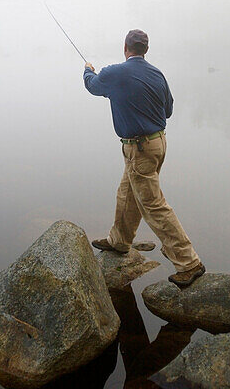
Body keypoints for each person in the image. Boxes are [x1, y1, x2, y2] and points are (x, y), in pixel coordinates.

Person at [83, 29, 205, 288]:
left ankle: (188, 262)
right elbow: (168, 110)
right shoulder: (157, 73)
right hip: (157, 144)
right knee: (126, 193)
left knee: (153, 205)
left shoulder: (114, 73)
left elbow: (93, 86)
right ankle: (119, 241)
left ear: (125, 47)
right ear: (144, 49)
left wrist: (87, 69)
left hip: (139, 149)